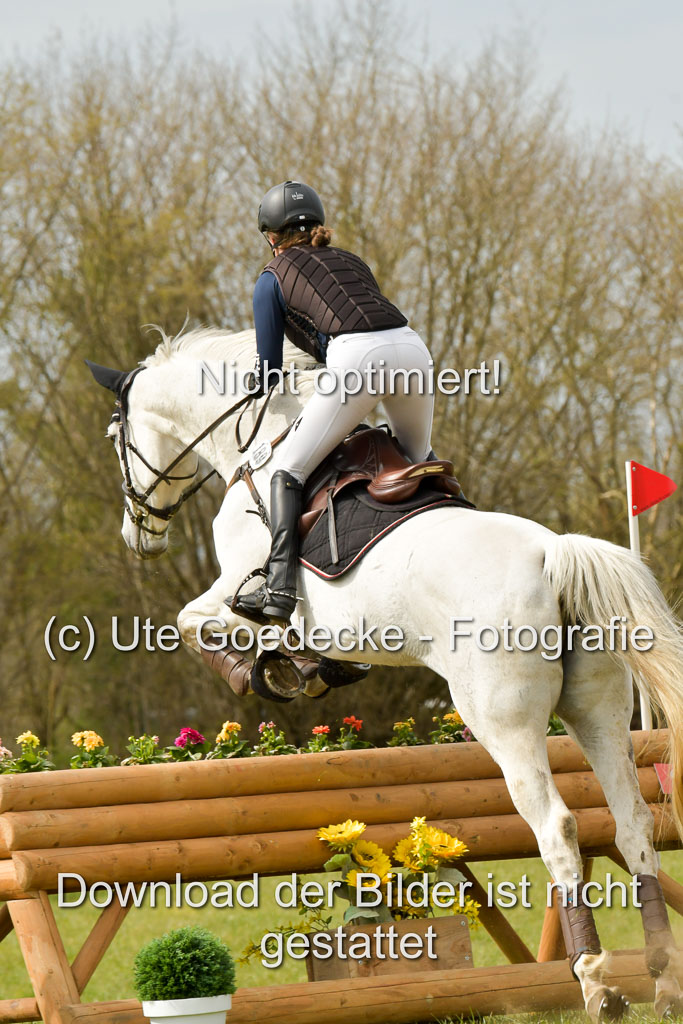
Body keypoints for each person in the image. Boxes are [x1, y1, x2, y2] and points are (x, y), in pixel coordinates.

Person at [234, 180, 435, 626]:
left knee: (289, 469)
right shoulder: (351, 260)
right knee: (418, 460)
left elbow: (269, 368)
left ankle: (280, 586)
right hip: (413, 350)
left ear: (271, 236)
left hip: (359, 359)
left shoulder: (271, 278)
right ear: (317, 225)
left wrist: (253, 380)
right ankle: (464, 521)